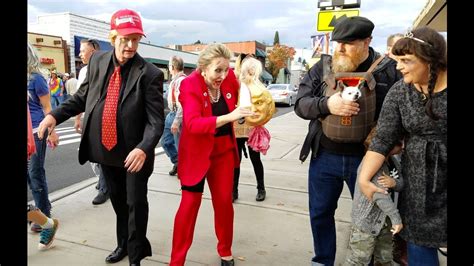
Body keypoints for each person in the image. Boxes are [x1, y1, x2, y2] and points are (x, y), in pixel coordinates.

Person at [38, 9, 165, 265]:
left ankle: (136, 256)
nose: (130, 46)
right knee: (119, 203)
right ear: (113, 36)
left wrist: (143, 148)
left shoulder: (150, 73)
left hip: (134, 154)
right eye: (124, 39)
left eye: (135, 39)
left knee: (135, 205)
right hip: (107, 150)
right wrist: (54, 117)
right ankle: (124, 245)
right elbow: (81, 97)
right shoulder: (97, 62)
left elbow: (155, 121)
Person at [293, 16, 402, 265]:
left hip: (368, 159)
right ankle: (322, 259)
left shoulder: (387, 69)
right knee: (320, 212)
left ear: (367, 42)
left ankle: (372, 260)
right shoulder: (322, 67)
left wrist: (397, 141)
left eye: (348, 43)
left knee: (373, 216)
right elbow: (300, 104)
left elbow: (401, 111)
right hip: (325, 155)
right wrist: (326, 104)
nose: (340, 48)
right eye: (337, 42)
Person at [358, 26, 447, 265]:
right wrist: (364, 178)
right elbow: (383, 139)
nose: (398, 66)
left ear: (431, 59)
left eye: (406, 60)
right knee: (419, 245)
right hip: (418, 184)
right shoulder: (400, 92)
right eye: (398, 60)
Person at [169, 43, 254, 266]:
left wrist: (247, 114)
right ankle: (176, 261)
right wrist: (231, 116)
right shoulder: (189, 85)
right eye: (218, 70)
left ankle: (225, 250)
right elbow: (193, 124)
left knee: (224, 203)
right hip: (196, 154)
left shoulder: (229, 80)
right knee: (189, 206)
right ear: (203, 68)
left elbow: (243, 103)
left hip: (223, 151)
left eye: (226, 69)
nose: (223, 75)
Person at [344, 128, 404, 265]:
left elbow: (401, 184)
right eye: (399, 143)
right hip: (366, 223)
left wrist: (394, 182)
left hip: (385, 223)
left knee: (384, 259)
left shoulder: (393, 161)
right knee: (358, 260)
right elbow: (379, 195)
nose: (403, 146)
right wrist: (396, 218)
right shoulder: (371, 164)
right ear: (386, 144)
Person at [232, 54, 275, 202]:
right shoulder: (236, 83)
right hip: (237, 127)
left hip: (252, 128)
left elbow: (265, 108)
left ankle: (261, 188)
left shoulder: (259, 87)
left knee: (255, 159)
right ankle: (234, 190)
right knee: (235, 161)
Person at [27, 42, 59, 233]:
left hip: (36, 131)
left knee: (35, 173)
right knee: (29, 175)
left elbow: (48, 108)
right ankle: (39, 210)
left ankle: (44, 215)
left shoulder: (36, 79)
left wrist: (52, 132)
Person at [73, 38, 109, 205]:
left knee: (100, 154)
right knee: (90, 153)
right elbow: (81, 97)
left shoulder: (104, 69)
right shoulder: (82, 71)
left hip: (101, 118)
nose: (80, 54)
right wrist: (78, 118)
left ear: (93, 52)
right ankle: (104, 180)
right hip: (89, 117)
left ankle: (105, 187)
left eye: (83, 51)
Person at [160, 55, 187, 176]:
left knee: (179, 144)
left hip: (178, 115)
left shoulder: (182, 81)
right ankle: (177, 162)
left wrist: (177, 120)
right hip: (171, 113)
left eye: (169, 65)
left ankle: (182, 167)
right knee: (165, 142)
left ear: (172, 66)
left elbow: (182, 103)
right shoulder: (174, 80)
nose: (168, 67)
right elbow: (167, 97)